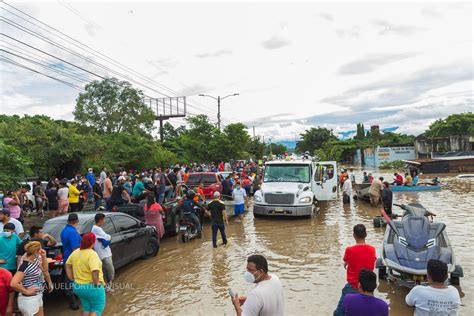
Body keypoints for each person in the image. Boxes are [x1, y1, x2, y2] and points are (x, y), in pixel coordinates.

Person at [334, 224, 376, 316]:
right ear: (366, 234)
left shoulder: (349, 250)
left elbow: (346, 260)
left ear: (354, 235)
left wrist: (347, 262)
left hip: (353, 285)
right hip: (368, 287)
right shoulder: (372, 249)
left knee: (338, 313)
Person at [66, 232, 106, 316]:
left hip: (78, 287)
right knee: (97, 309)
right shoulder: (92, 254)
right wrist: (96, 282)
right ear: (93, 242)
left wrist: (71, 278)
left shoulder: (75, 252)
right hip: (92, 287)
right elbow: (95, 270)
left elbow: (68, 265)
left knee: (86, 308)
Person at [11, 241, 53, 316]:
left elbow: (45, 270)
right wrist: (26, 291)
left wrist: (43, 257)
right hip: (29, 299)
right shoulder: (25, 265)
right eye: (40, 249)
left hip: (37, 295)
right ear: (36, 251)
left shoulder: (35, 260)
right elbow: (13, 283)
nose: (42, 251)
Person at [60, 213, 81, 310]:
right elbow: (75, 248)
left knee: (69, 280)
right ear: (77, 221)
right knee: (70, 281)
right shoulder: (73, 232)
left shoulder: (64, 230)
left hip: (67, 258)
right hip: (72, 260)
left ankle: (74, 299)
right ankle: (72, 303)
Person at [91, 213, 115, 293]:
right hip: (103, 253)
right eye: (103, 220)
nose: (104, 221)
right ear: (100, 220)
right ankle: (107, 286)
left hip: (103, 253)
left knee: (105, 270)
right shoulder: (96, 229)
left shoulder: (97, 228)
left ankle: (108, 286)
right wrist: (109, 237)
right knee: (109, 270)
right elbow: (107, 237)